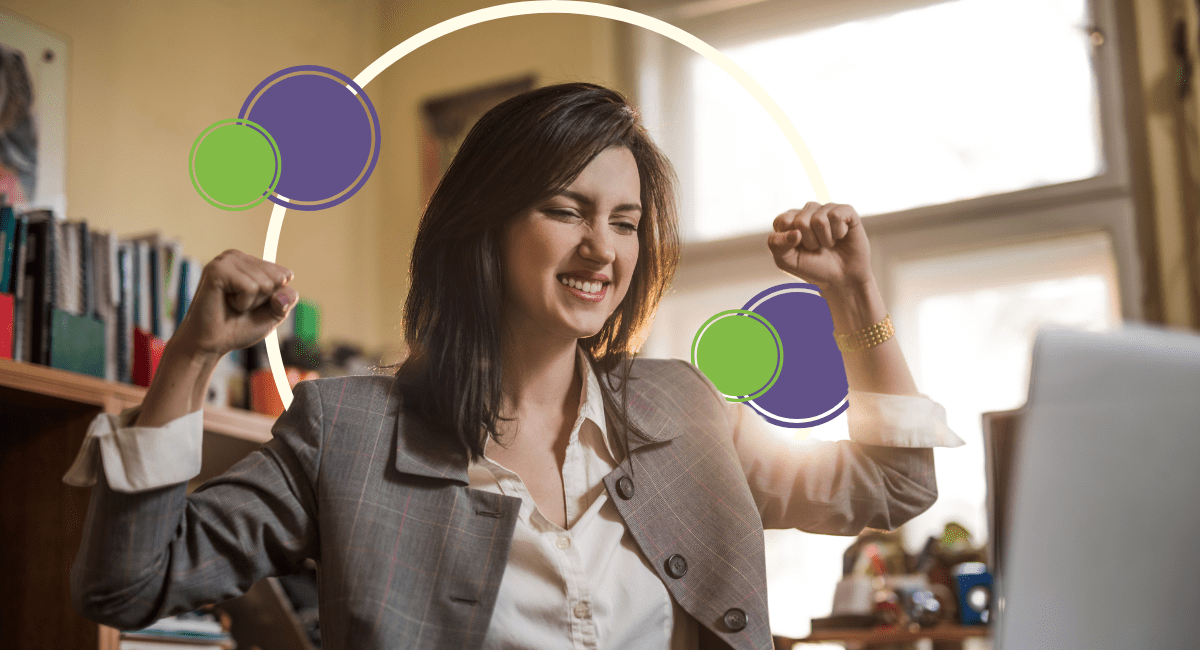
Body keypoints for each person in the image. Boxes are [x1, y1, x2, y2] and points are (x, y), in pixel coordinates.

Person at [64, 82, 962, 650]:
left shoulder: (684, 411)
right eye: (567, 209)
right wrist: (189, 358)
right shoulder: (346, 432)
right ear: (486, 225)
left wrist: (856, 302)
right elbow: (130, 583)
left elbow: (894, 487)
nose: (602, 249)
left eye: (623, 221)